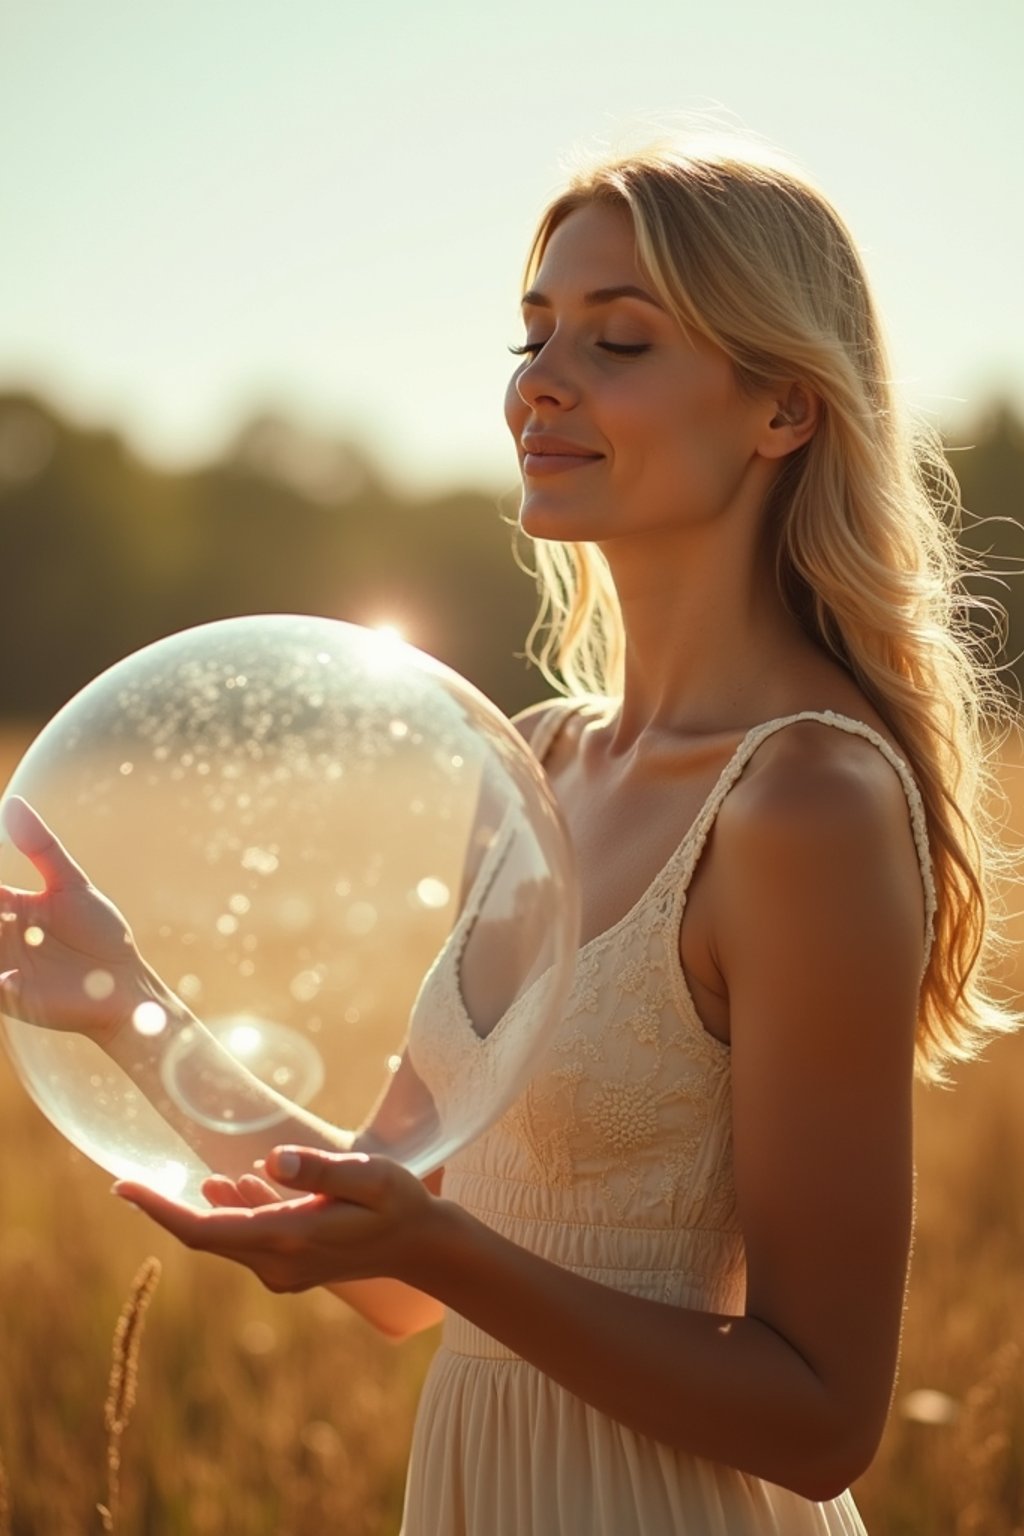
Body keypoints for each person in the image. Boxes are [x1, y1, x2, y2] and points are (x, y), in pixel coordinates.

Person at [1, 136, 1017, 1533]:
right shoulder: (532, 762)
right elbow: (396, 1274)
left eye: (618, 341)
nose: (541, 380)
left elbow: (826, 1415)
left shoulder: (804, 806)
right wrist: (124, 1002)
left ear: (783, 407)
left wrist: (449, 1251)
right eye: (534, 333)